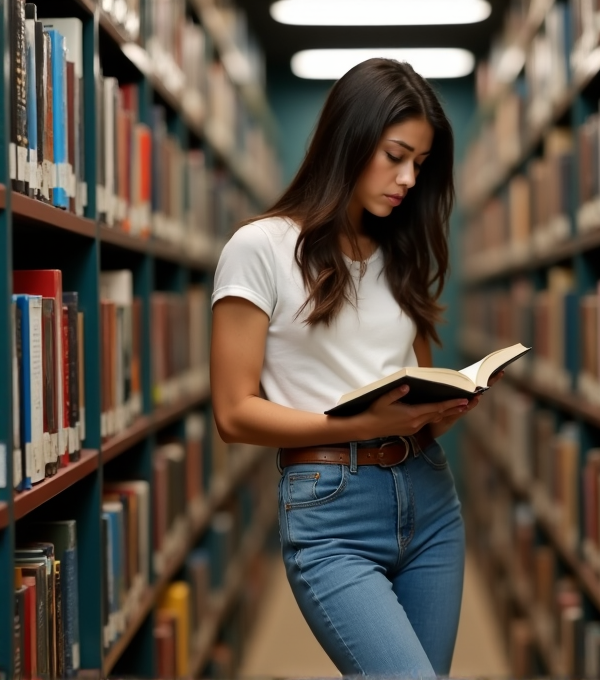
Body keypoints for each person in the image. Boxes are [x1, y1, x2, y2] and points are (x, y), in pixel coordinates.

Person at [210, 57, 502, 677]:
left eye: (420, 165)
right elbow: (234, 415)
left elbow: (412, 385)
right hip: (330, 507)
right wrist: (358, 428)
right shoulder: (260, 248)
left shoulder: (399, 252)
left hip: (429, 495)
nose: (407, 179)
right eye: (395, 155)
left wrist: (440, 409)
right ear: (349, 139)